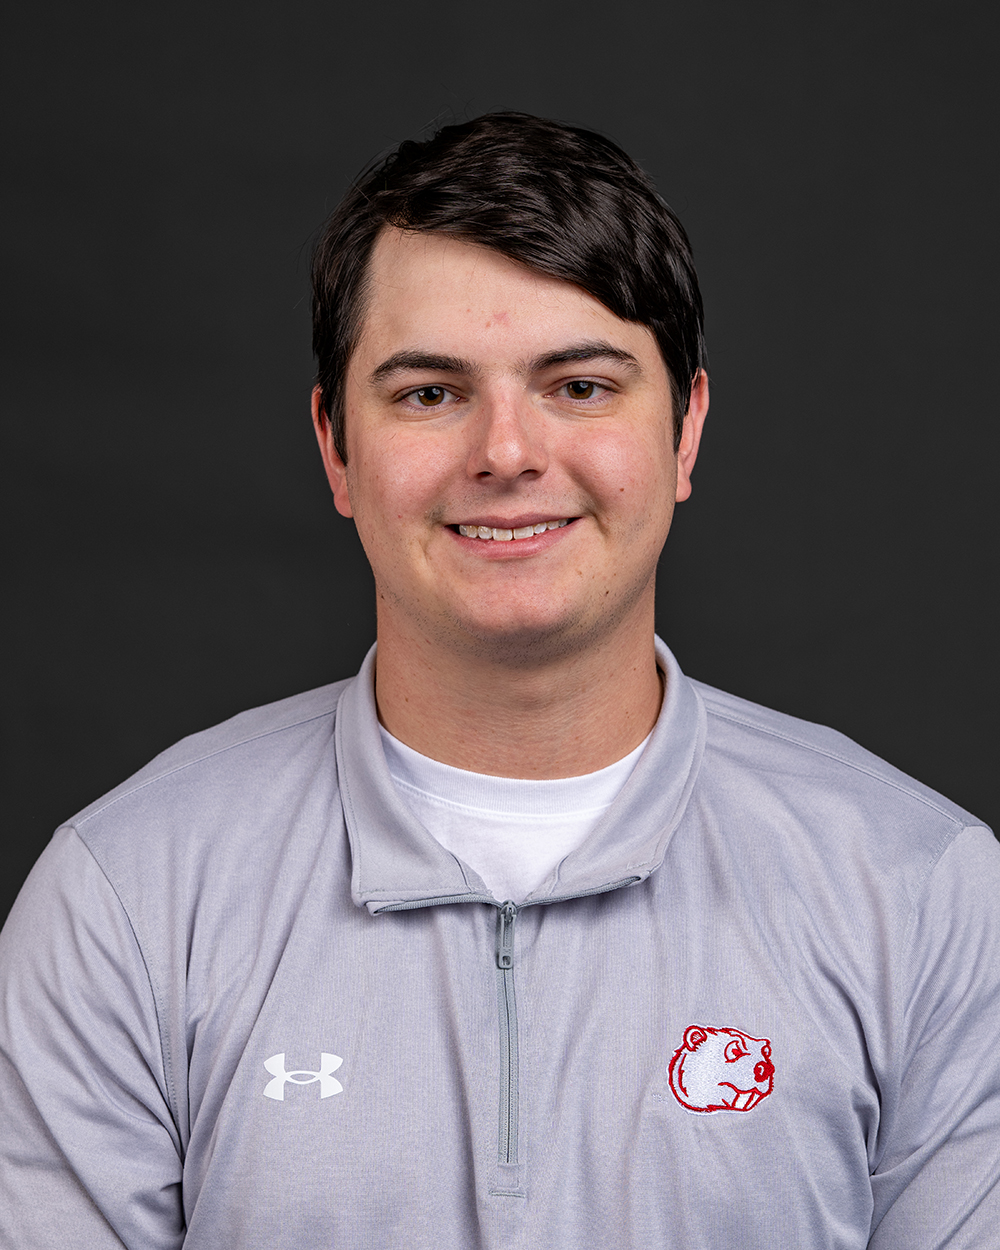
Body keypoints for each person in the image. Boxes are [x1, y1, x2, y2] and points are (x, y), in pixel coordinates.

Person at [1, 112, 997, 1250]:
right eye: (431, 393)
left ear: (685, 432)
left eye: (580, 386)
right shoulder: (127, 900)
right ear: (335, 446)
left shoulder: (925, 896)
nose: (508, 452)